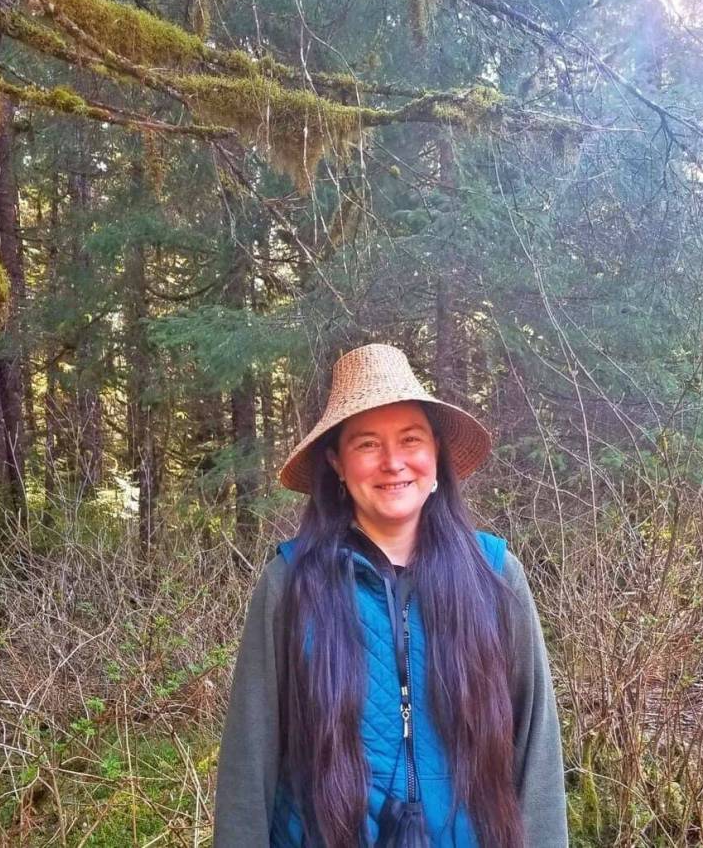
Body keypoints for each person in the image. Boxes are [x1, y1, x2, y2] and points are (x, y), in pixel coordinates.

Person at [213, 343, 568, 847]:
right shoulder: (290, 582)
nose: (393, 462)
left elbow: (535, 747)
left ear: (436, 455)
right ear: (336, 462)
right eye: (367, 444)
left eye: (410, 439)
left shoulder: (494, 574)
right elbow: (250, 757)